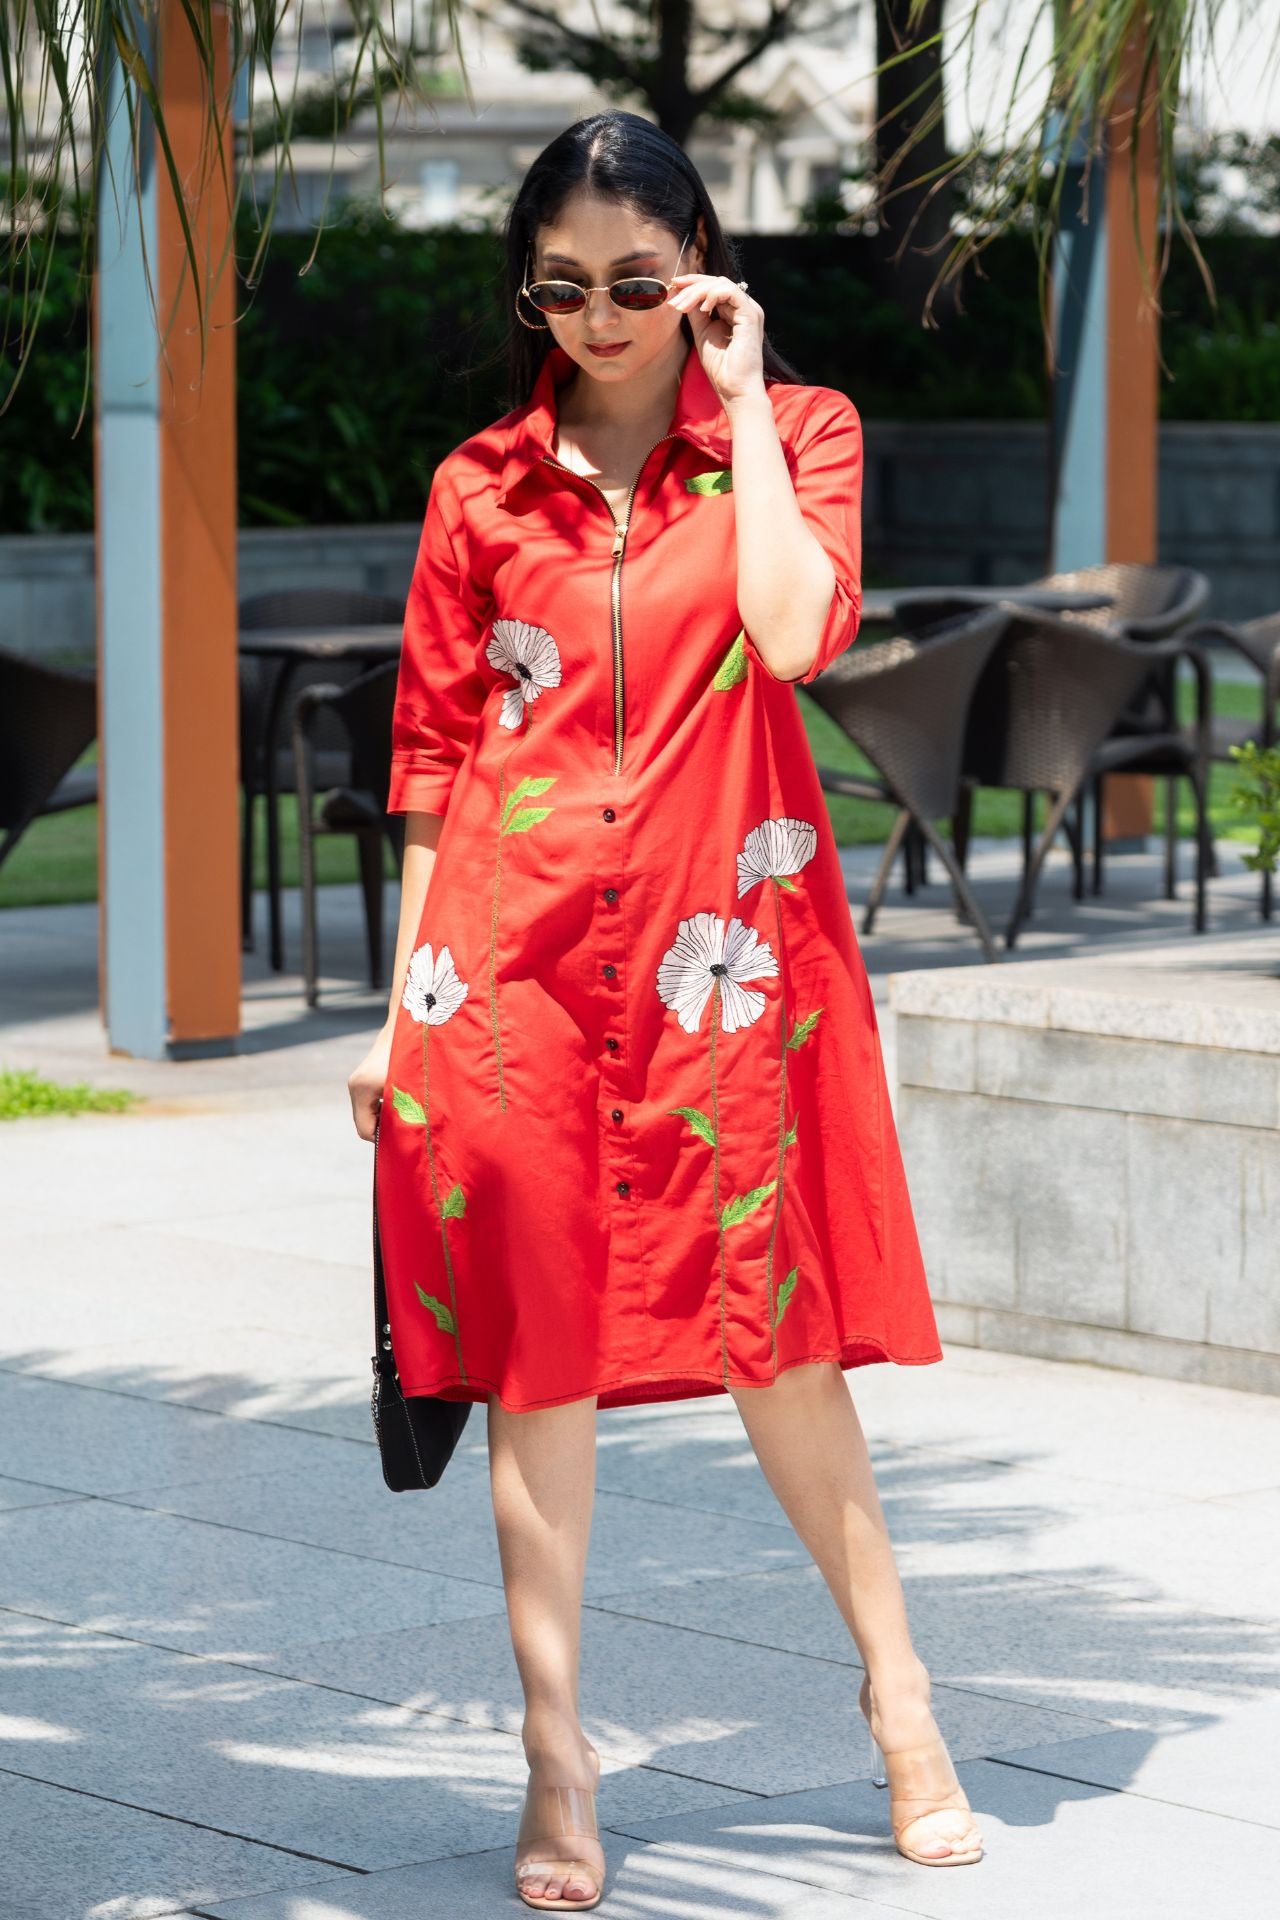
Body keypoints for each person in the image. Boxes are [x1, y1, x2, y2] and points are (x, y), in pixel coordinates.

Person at [348, 108, 983, 1912]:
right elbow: (434, 755)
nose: (602, 317)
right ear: (527, 291)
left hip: (731, 955)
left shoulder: (801, 439)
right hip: (508, 959)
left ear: (699, 259)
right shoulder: (478, 485)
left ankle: (903, 1700)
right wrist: (399, 1016)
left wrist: (750, 393)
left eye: (638, 279)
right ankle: (559, 1762)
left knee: (778, 1346)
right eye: (563, 287)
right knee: (537, 1359)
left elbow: (794, 637)